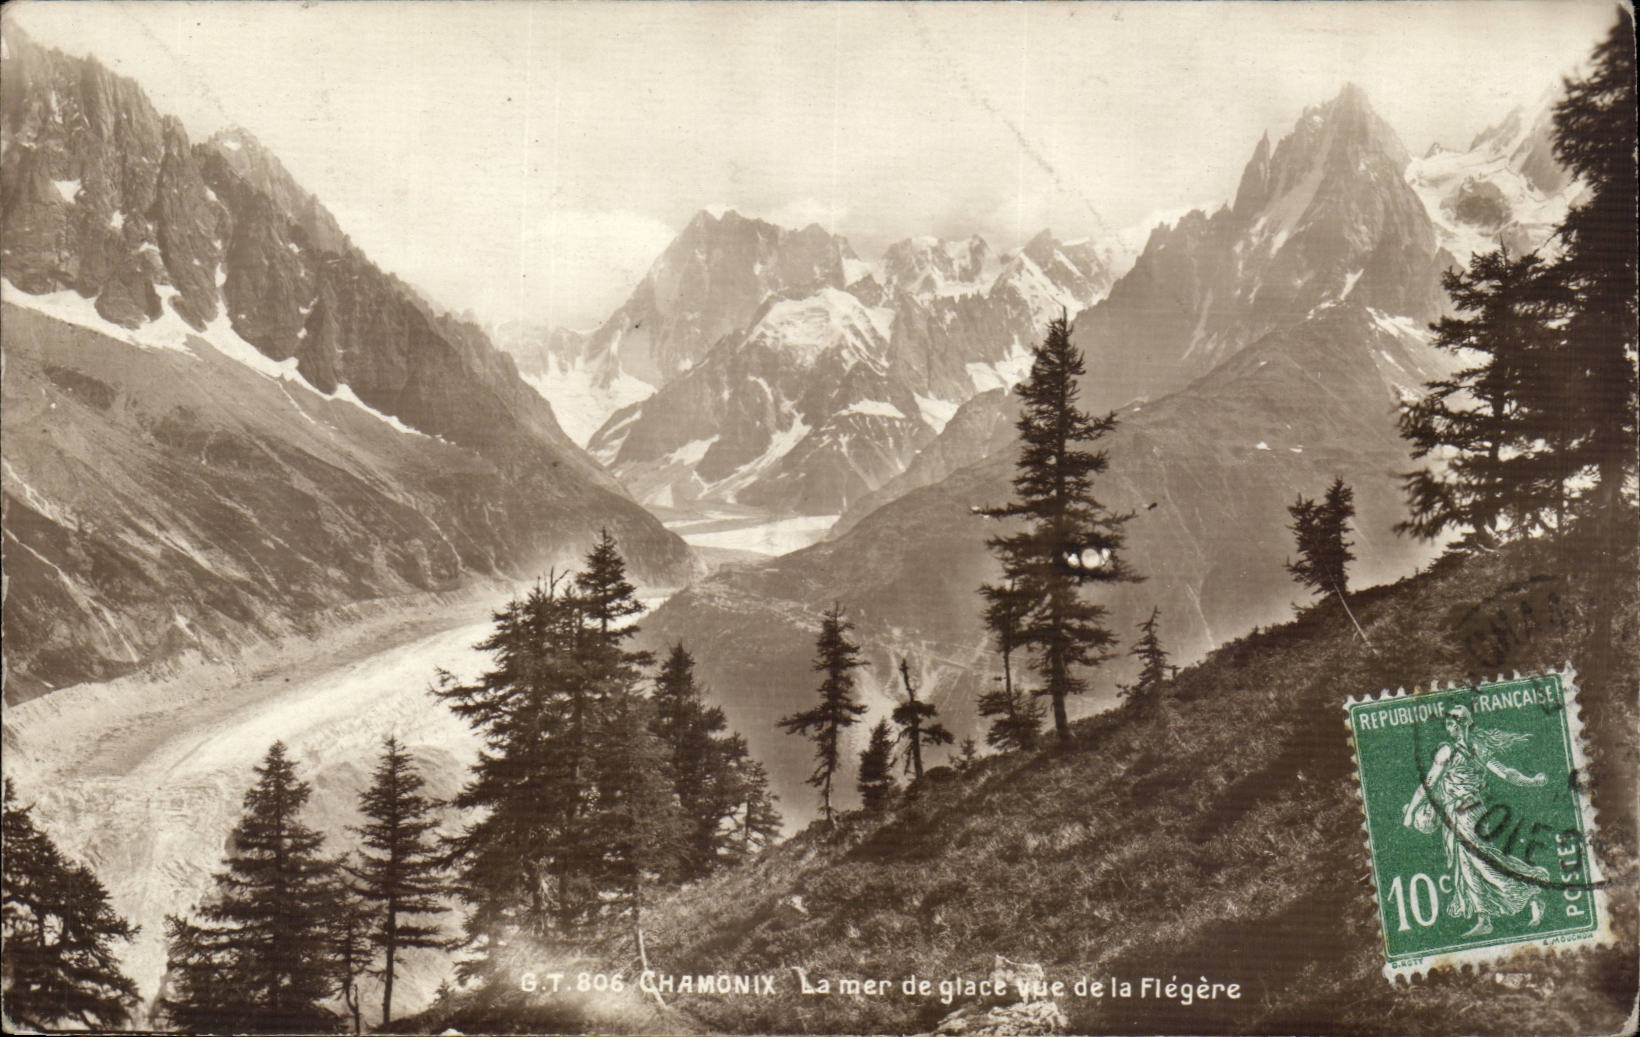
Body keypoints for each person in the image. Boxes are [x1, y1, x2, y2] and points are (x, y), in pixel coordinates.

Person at [1402, 704, 1549, 936]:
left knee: (1482, 862)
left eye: (1454, 723)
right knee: (1469, 864)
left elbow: (1429, 782)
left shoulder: (1457, 751)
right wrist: (1531, 781)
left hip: (1467, 813)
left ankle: (1529, 890)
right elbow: (1506, 773)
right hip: (1464, 812)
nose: (1451, 728)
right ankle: (1485, 918)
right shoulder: (1469, 749)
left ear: (1461, 725)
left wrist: (1411, 812)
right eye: (1450, 724)